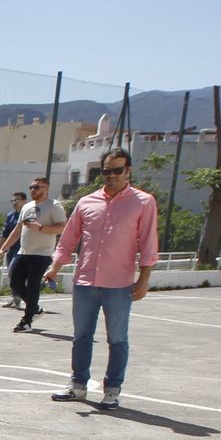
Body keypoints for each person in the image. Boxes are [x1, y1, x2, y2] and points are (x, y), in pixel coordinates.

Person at [47, 149, 159, 411]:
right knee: (81, 337)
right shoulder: (87, 202)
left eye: (117, 170)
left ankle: (112, 390)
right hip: (85, 281)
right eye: (106, 171)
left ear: (128, 171)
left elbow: (149, 242)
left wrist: (143, 279)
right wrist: (55, 267)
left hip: (119, 284)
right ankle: (78, 387)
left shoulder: (143, 202)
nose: (111, 176)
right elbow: (69, 238)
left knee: (117, 339)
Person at [0, 177, 66, 332]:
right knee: (15, 283)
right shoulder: (27, 206)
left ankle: (26, 321)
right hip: (23, 252)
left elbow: (62, 227)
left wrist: (41, 228)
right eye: (31, 187)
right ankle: (35, 308)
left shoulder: (54, 206)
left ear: (46, 188)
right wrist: (3, 248)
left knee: (33, 286)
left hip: (41, 254)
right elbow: (17, 230)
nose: (33, 190)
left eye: (37, 187)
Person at [0, 191, 26, 309]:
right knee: (11, 274)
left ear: (24, 201)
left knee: (19, 275)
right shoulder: (10, 215)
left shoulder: (28, 215)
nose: (15, 203)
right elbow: (5, 233)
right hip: (12, 249)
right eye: (13, 201)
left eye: (17, 200)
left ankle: (21, 298)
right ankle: (14, 297)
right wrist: (0, 249)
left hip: (24, 250)